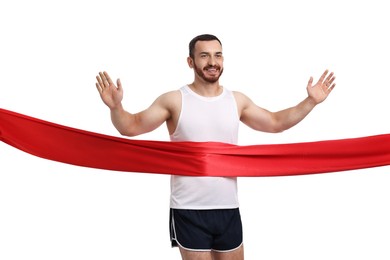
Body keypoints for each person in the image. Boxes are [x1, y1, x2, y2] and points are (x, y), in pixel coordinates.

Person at [95, 34, 336, 260]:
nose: (213, 62)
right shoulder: (174, 100)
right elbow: (131, 127)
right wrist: (116, 108)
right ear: (190, 62)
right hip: (189, 210)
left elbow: (275, 123)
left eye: (218, 55)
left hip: (229, 208)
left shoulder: (236, 100)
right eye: (204, 56)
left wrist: (310, 102)